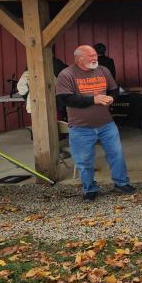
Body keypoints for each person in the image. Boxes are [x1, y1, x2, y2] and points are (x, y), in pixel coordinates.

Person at [55, 45, 134, 201]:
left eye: (95, 56)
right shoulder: (67, 74)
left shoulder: (103, 70)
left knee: (116, 154)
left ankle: (121, 183)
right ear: (79, 59)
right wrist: (94, 99)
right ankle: (89, 188)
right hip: (80, 127)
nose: (95, 58)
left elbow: (114, 89)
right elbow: (64, 99)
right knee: (84, 160)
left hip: (106, 124)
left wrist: (112, 98)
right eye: (91, 56)